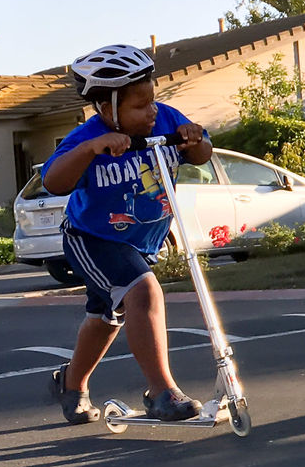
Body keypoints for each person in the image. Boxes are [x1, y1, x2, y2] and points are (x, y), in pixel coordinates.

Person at [44, 44, 213, 424]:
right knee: (143, 290)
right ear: (106, 108)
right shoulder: (87, 137)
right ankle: (161, 391)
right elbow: (54, 181)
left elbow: (203, 153)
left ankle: (72, 384)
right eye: (139, 105)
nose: (151, 110)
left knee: (106, 318)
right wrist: (91, 149)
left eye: (152, 100)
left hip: (141, 242)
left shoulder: (167, 121)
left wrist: (195, 139)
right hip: (92, 240)